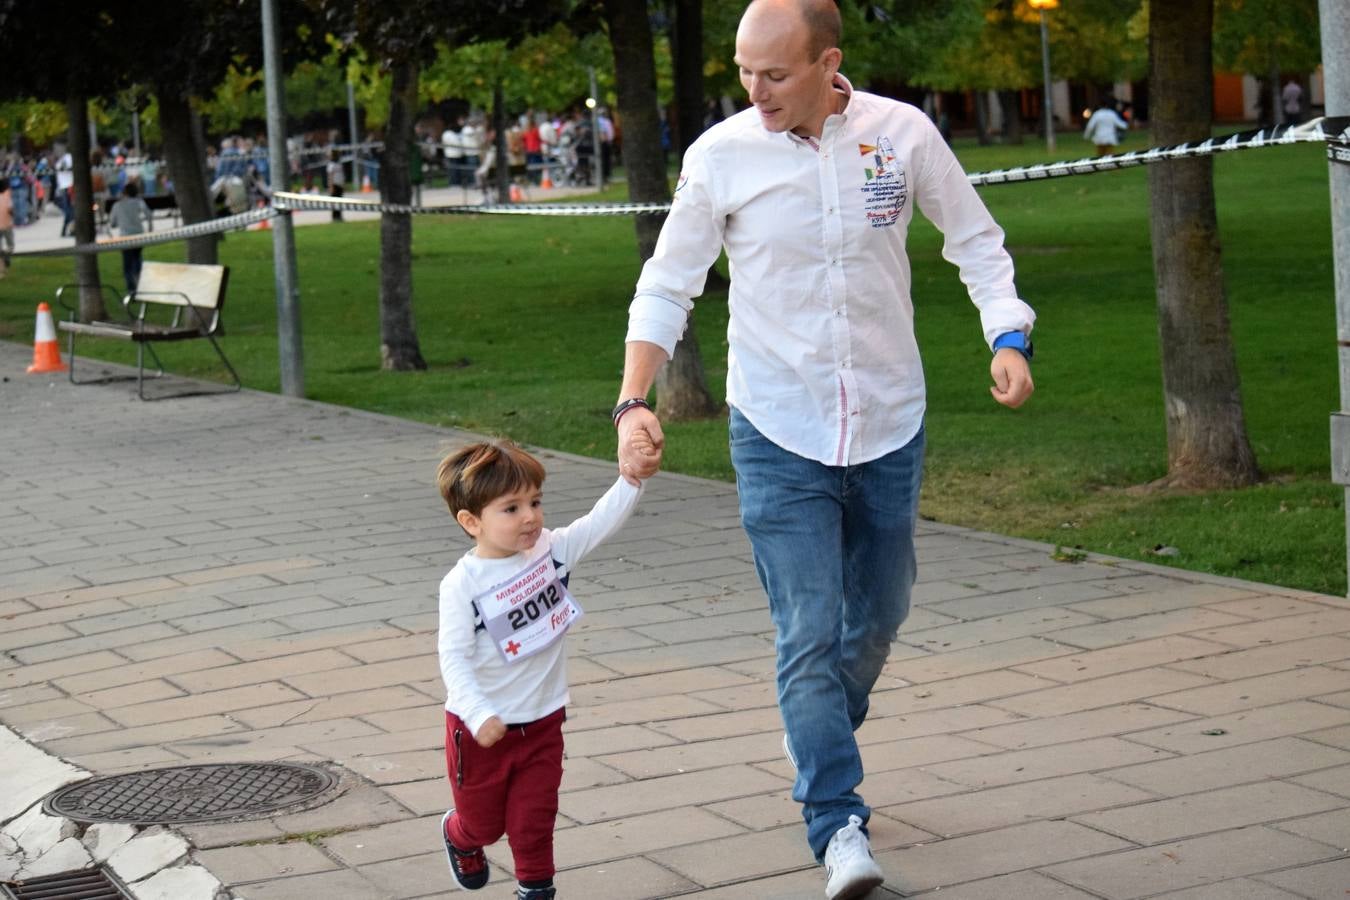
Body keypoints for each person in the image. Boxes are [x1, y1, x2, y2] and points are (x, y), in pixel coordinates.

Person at [612, 1, 1035, 898]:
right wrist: (632, 399)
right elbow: (667, 284)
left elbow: (977, 242)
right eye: (742, 71)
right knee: (805, 630)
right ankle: (838, 823)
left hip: (888, 418)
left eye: (774, 73)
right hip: (776, 426)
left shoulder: (902, 135)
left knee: (880, 611)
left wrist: (1007, 334)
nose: (754, 90)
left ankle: (813, 726)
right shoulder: (721, 156)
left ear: (826, 62)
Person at [435, 439, 647, 900]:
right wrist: (477, 714)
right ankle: (459, 835)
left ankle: (536, 889)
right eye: (510, 509)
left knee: (533, 821)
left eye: (535, 502)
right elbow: (453, 657)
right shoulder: (461, 585)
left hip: (544, 724)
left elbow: (598, 524)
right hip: (480, 733)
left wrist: (632, 478)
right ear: (472, 522)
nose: (530, 516)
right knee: (485, 824)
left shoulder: (551, 552)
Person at [108, 180, 152, 292]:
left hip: (125, 237)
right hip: (138, 235)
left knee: (127, 265)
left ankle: (132, 289)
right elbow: (148, 214)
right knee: (137, 259)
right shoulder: (139, 202)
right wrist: (150, 228)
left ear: (124, 193)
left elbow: (112, 223)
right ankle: (141, 283)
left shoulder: (117, 205)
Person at [326, 150, 345, 222]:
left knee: (340, 201)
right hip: (334, 185)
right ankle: (335, 217)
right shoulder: (331, 165)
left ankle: (339, 216)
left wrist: (343, 184)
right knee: (334, 201)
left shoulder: (339, 164)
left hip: (339, 184)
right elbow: (330, 176)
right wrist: (331, 186)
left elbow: (342, 175)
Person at [0, 180, 13, 278]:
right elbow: (10, 209)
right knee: (10, 245)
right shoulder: (7, 196)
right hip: (7, 225)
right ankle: (6, 258)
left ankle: (2, 271)